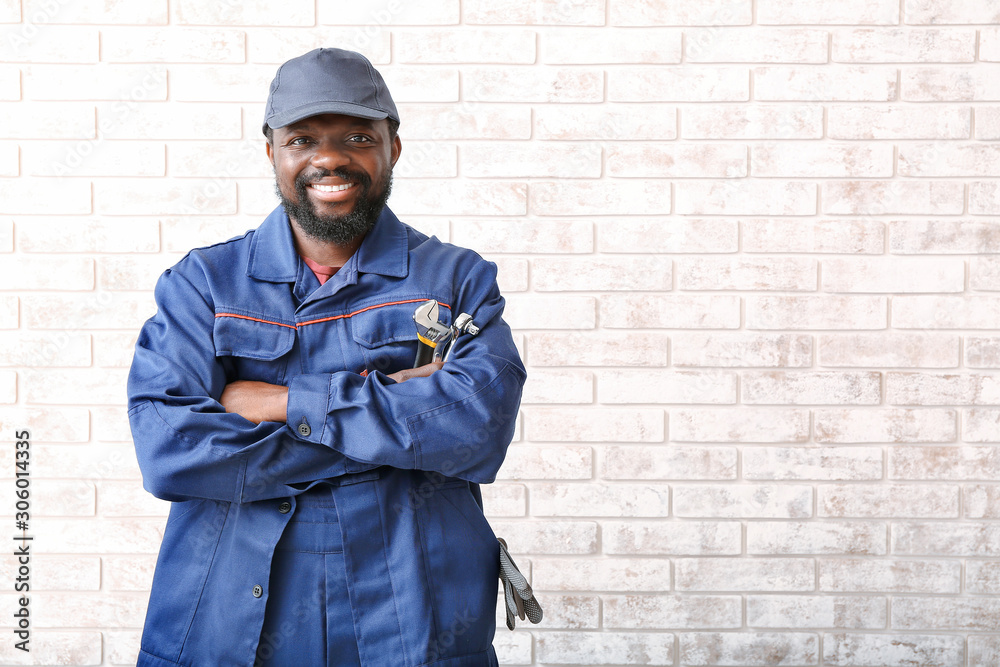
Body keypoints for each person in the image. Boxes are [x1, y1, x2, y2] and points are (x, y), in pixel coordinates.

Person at [126, 47, 525, 667]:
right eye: (303, 138)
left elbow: (475, 430)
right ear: (272, 153)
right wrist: (396, 428)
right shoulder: (203, 284)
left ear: (394, 146)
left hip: (415, 622)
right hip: (228, 621)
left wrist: (284, 402)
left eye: (358, 136)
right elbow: (170, 452)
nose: (330, 157)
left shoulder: (456, 280)